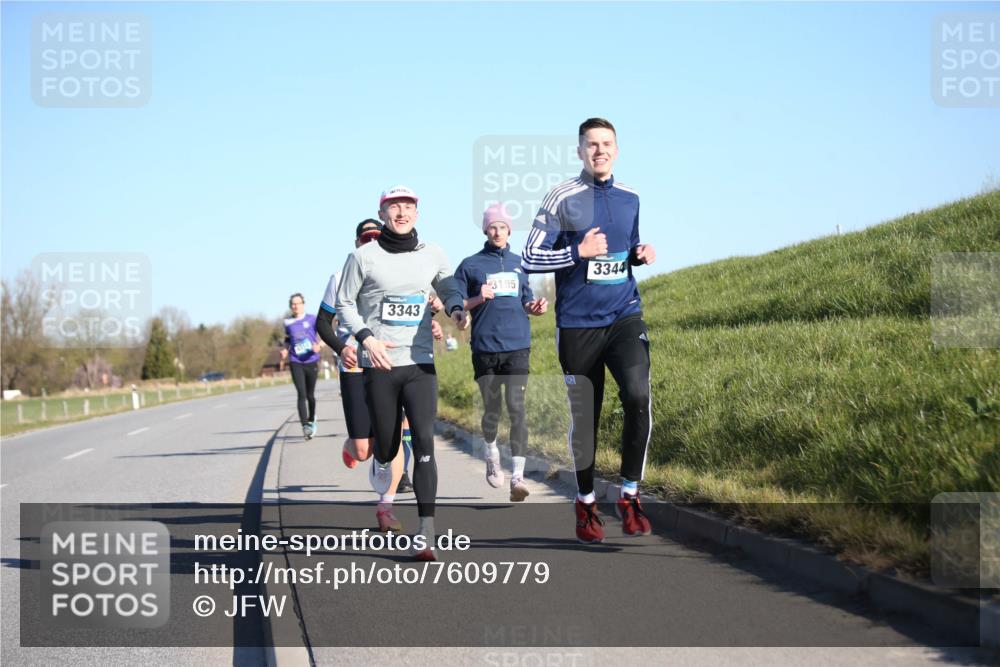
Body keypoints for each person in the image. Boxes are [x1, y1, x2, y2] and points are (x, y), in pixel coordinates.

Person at [521, 118, 656, 543]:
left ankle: (630, 496)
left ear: (617, 149)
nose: (600, 150)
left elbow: (625, 248)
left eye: (607, 143)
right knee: (586, 418)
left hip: (623, 314)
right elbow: (529, 256)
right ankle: (584, 503)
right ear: (580, 151)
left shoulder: (631, 197)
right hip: (577, 325)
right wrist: (575, 251)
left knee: (637, 395)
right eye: (592, 144)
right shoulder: (563, 197)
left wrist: (639, 253)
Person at [336, 185, 466, 561]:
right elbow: (344, 302)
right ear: (383, 213)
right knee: (388, 445)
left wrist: (456, 308)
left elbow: (448, 283)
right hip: (380, 364)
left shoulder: (433, 253)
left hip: (420, 364)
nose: (402, 212)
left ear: (417, 213)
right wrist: (366, 338)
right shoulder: (364, 257)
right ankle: (382, 463)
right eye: (395, 206)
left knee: (424, 442)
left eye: (408, 206)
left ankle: (426, 531)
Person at [454, 203, 547, 501]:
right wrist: (475, 299)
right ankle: (491, 453)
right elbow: (454, 303)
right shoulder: (471, 265)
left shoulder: (522, 263)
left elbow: (526, 300)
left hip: (518, 345)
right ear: (485, 230)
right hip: (485, 347)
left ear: (509, 231)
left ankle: (517, 477)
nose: (498, 231)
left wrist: (534, 307)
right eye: (493, 227)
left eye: (503, 227)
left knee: (517, 407)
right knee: (493, 410)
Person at [281, 293, 322, 439]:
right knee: (301, 394)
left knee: (310, 395)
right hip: (295, 361)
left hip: (311, 360)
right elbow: (287, 339)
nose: (295, 306)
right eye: (293, 304)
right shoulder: (288, 322)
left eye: (298, 303)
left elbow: (323, 334)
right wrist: (285, 350)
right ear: (290, 306)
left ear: (303, 304)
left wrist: (319, 345)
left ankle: (311, 419)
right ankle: (305, 426)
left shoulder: (312, 319)